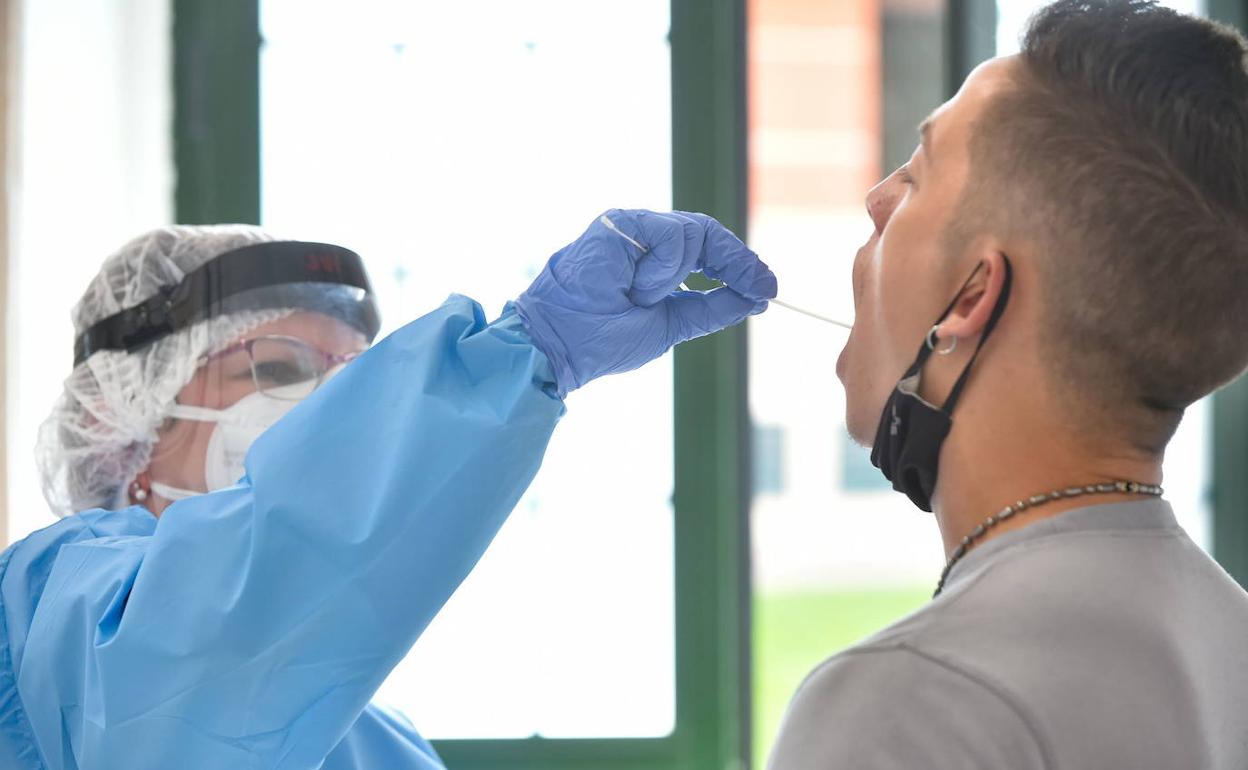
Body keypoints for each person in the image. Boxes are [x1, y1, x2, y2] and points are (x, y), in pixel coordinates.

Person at [0, 213, 776, 769]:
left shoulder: (377, 741)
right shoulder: (54, 603)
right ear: (119, 413)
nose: (325, 413)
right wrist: (523, 355)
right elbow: (206, 648)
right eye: (276, 368)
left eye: (351, 378)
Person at [766, 1, 1248, 767]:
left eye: (916, 176)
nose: (877, 200)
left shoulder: (905, 706)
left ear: (969, 298)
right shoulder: (1231, 640)